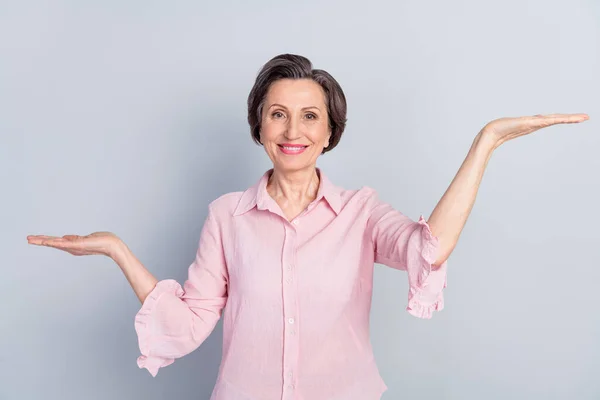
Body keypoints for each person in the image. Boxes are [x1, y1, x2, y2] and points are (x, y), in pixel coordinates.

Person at [27, 53, 589, 400]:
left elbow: (428, 249)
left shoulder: (362, 212)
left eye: (310, 115)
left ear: (329, 132)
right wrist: (118, 251)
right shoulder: (227, 215)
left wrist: (485, 142)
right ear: (259, 127)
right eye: (278, 113)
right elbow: (190, 321)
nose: (293, 128)